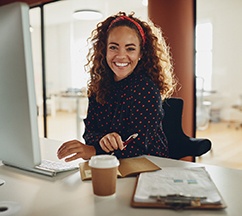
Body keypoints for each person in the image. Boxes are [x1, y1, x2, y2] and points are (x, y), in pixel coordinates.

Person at [57, 11, 177, 162]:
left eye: (130, 48)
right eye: (114, 47)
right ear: (104, 50)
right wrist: (102, 140)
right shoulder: (99, 85)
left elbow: (139, 147)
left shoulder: (146, 88)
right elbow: (90, 133)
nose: (121, 56)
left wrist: (95, 150)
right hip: (110, 164)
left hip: (148, 165)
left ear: (141, 53)